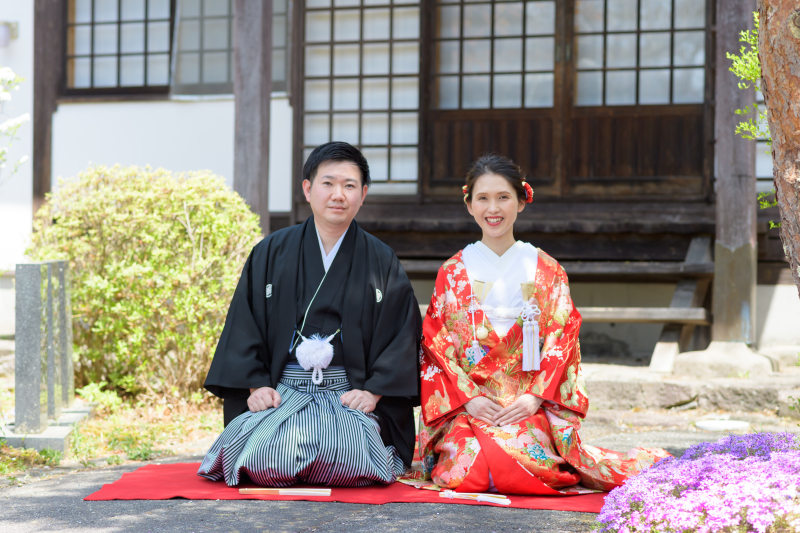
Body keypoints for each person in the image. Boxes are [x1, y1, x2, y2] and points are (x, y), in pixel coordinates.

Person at [412, 154, 669, 495]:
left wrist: (535, 398)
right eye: (483, 198)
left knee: (530, 465)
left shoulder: (546, 269)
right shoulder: (453, 271)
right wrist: (468, 399)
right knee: (466, 472)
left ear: (521, 201)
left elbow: (563, 340)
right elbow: (436, 344)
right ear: (469, 204)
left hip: (527, 402)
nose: (494, 208)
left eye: (503, 197)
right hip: (470, 406)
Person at [198, 141, 421, 488]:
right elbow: (245, 325)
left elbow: (401, 335)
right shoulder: (271, 252)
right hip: (284, 391)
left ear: (362, 194)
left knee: (348, 457)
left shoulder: (381, 259)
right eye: (328, 183)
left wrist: (374, 392)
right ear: (307, 189)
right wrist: (256, 385)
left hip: (348, 395)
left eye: (349, 186)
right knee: (265, 459)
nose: (338, 195)